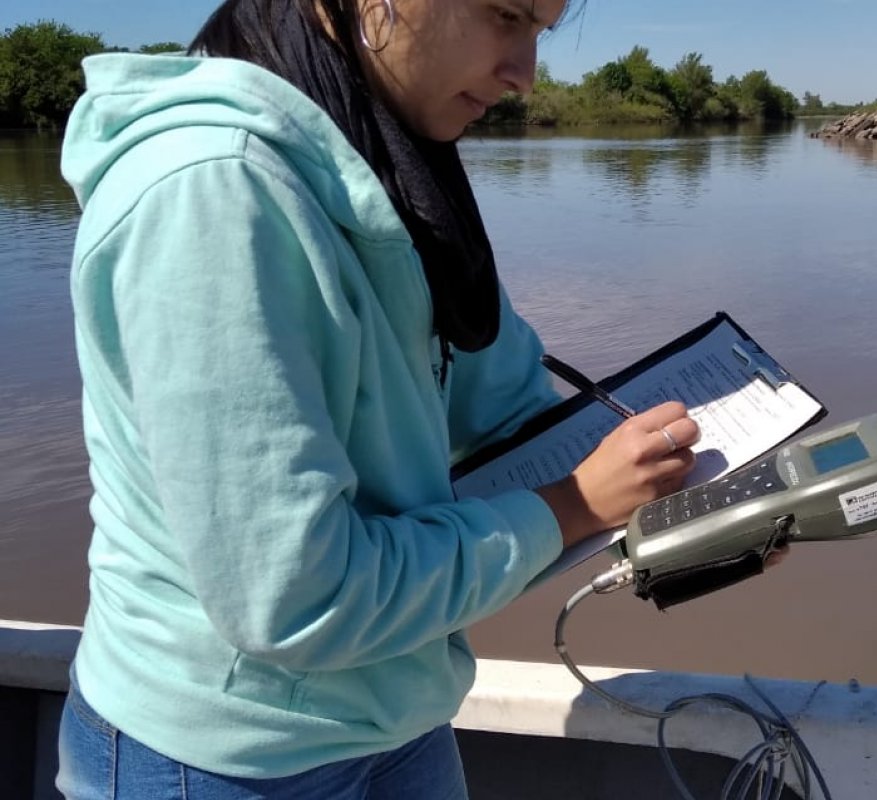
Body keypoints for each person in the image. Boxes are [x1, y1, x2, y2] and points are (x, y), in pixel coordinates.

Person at [55, 0, 701, 797]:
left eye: (541, 31)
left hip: (396, 709)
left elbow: (508, 415)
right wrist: (573, 507)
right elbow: (294, 597)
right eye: (507, 15)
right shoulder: (214, 192)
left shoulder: (386, 160)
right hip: (223, 756)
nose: (526, 76)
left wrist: (684, 506)